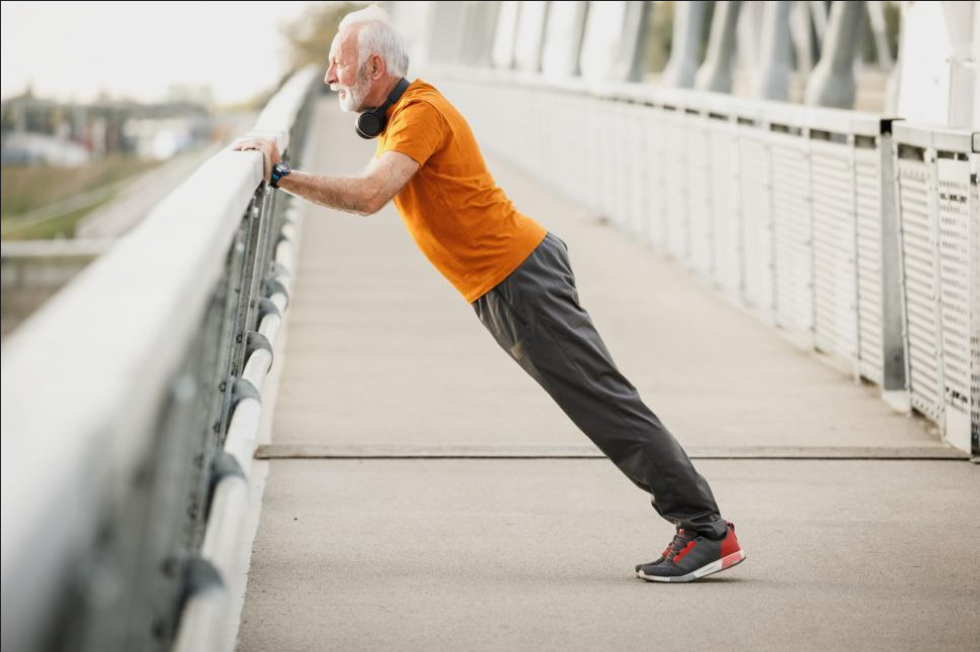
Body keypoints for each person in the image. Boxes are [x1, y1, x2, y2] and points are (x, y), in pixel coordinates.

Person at [233, 4, 746, 583]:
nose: (329, 77)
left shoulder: (420, 112)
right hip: (508, 281)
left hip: (520, 278)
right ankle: (700, 524)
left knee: (605, 403)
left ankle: (706, 530)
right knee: (600, 402)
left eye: (338, 64)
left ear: (374, 66)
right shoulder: (405, 110)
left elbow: (370, 195)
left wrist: (280, 176)